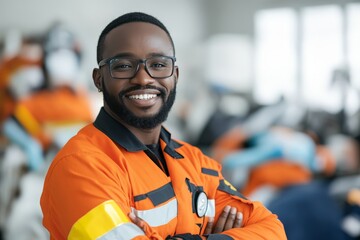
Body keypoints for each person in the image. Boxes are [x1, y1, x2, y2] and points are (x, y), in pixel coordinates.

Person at [40, 12, 287, 240]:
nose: (144, 78)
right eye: (124, 66)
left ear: (175, 75)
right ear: (98, 79)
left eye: (158, 65)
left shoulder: (197, 162)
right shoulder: (80, 167)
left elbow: (273, 230)